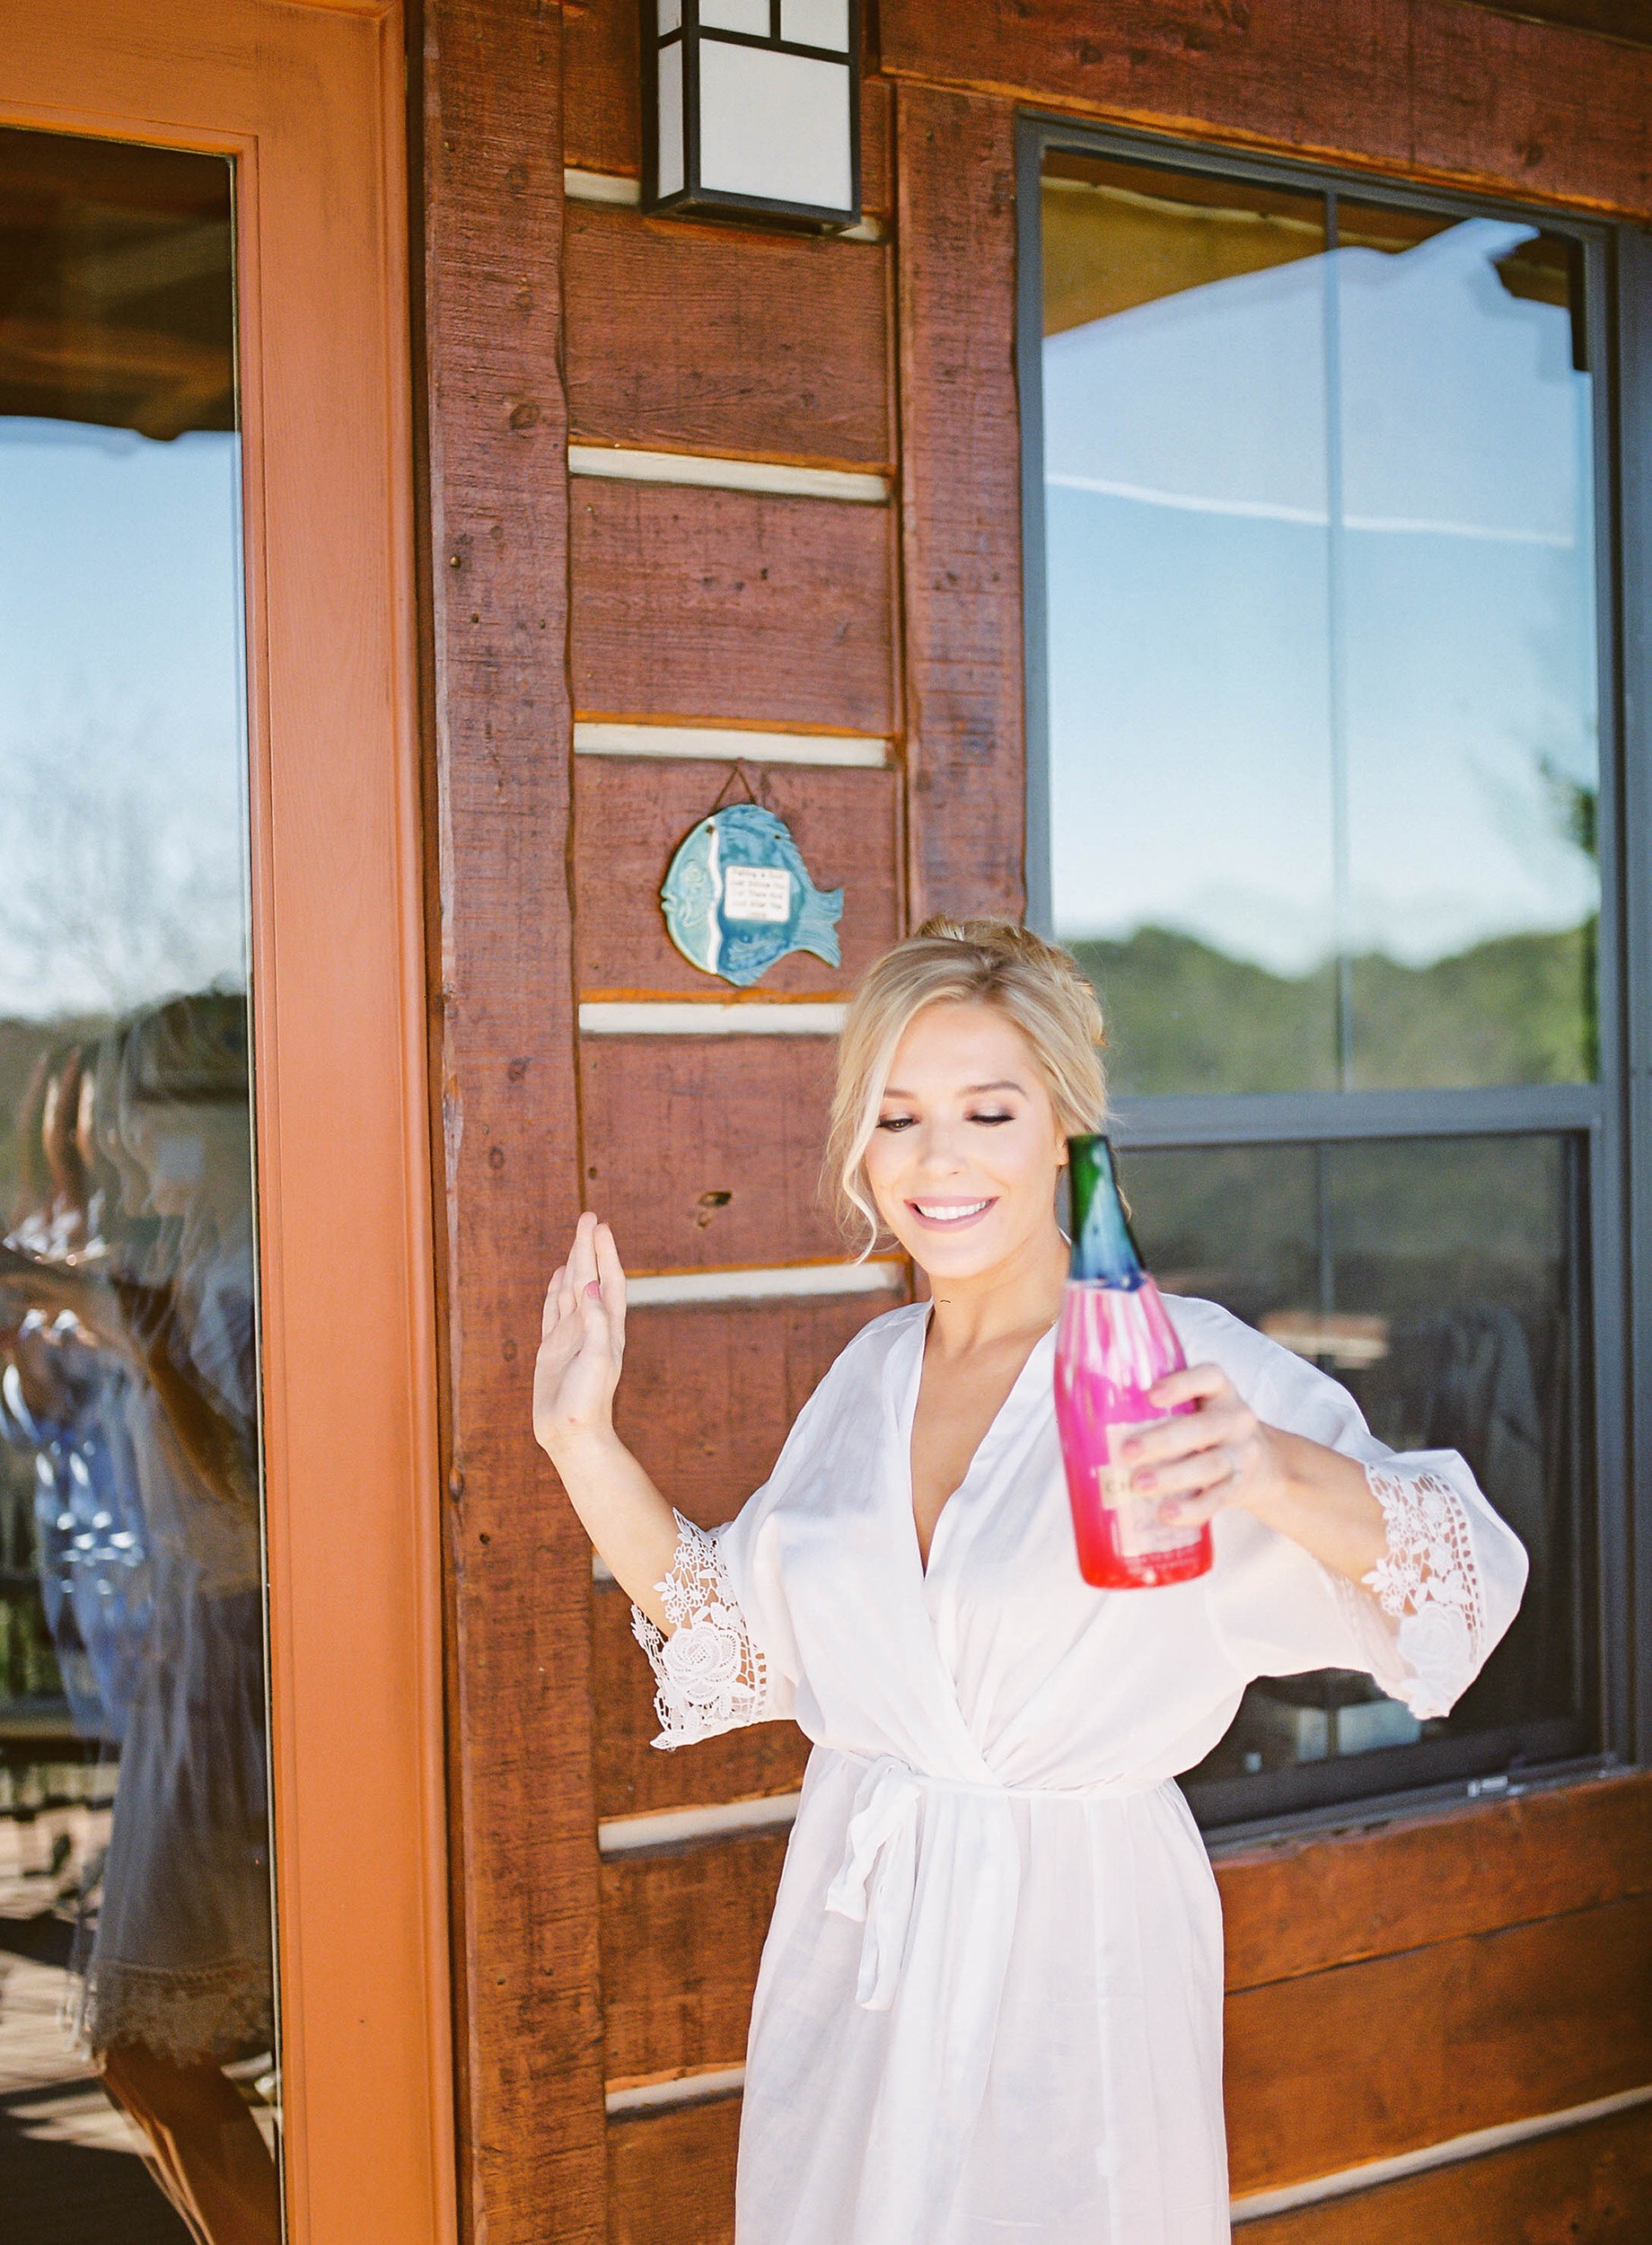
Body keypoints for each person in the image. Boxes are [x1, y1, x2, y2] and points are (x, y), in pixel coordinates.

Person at [532, 919, 1526, 2245]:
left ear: (1063, 1129)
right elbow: (745, 1644)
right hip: (859, 1971)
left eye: (986, 1113)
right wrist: (581, 1440)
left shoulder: (1167, 1362)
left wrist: (1271, 1465)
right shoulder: (871, 1375)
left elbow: (1463, 1585)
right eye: (898, 1118)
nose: (937, 1159)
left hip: (1079, 1964)